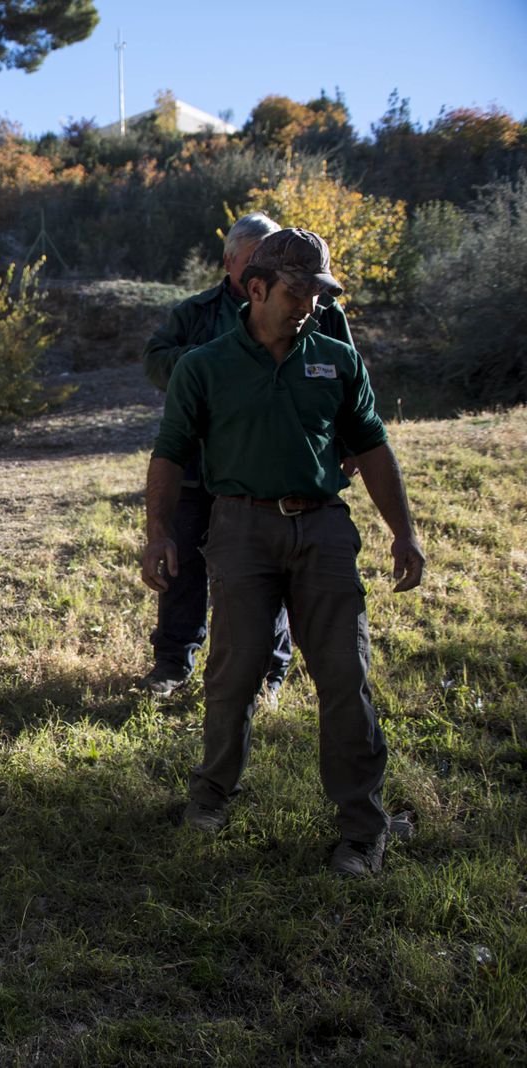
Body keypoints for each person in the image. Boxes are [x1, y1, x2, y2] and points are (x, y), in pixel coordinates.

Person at [140, 228, 424, 876]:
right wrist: (158, 533)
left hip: (322, 529)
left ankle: (362, 830)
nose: (311, 307)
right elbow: (171, 453)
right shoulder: (204, 365)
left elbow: (373, 447)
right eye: (299, 293)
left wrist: (402, 531)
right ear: (256, 287)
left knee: (345, 680)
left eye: (320, 294)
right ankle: (211, 795)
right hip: (239, 530)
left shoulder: (335, 358)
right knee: (232, 676)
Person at [139, 212, 356, 700]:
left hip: (273, 470)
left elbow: (348, 381)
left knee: (269, 567)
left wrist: (347, 445)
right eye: (251, 259)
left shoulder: (318, 309)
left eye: (268, 256)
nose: (260, 266)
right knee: (183, 567)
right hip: (198, 468)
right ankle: (173, 662)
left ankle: (268, 674)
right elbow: (155, 360)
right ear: (230, 261)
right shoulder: (196, 312)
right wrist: (213, 362)